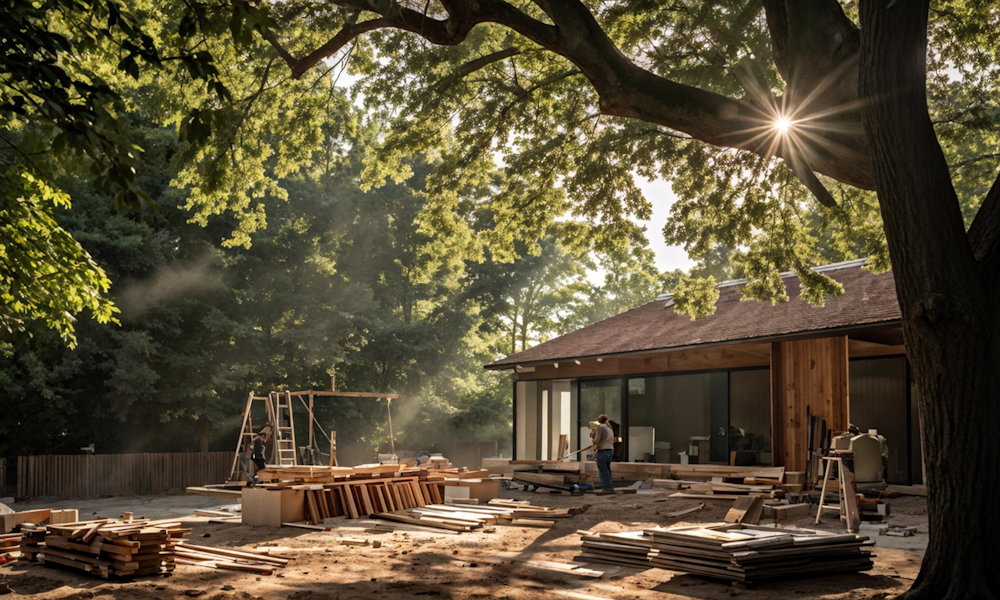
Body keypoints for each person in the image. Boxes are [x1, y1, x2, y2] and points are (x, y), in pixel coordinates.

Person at [591, 414, 615, 495]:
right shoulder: (610, 429)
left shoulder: (601, 428)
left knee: (603, 469)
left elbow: (597, 441)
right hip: (610, 450)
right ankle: (610, 487)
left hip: (603, 450)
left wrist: (593, 441)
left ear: (599, 421)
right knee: (607, 469)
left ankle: (606, 488)